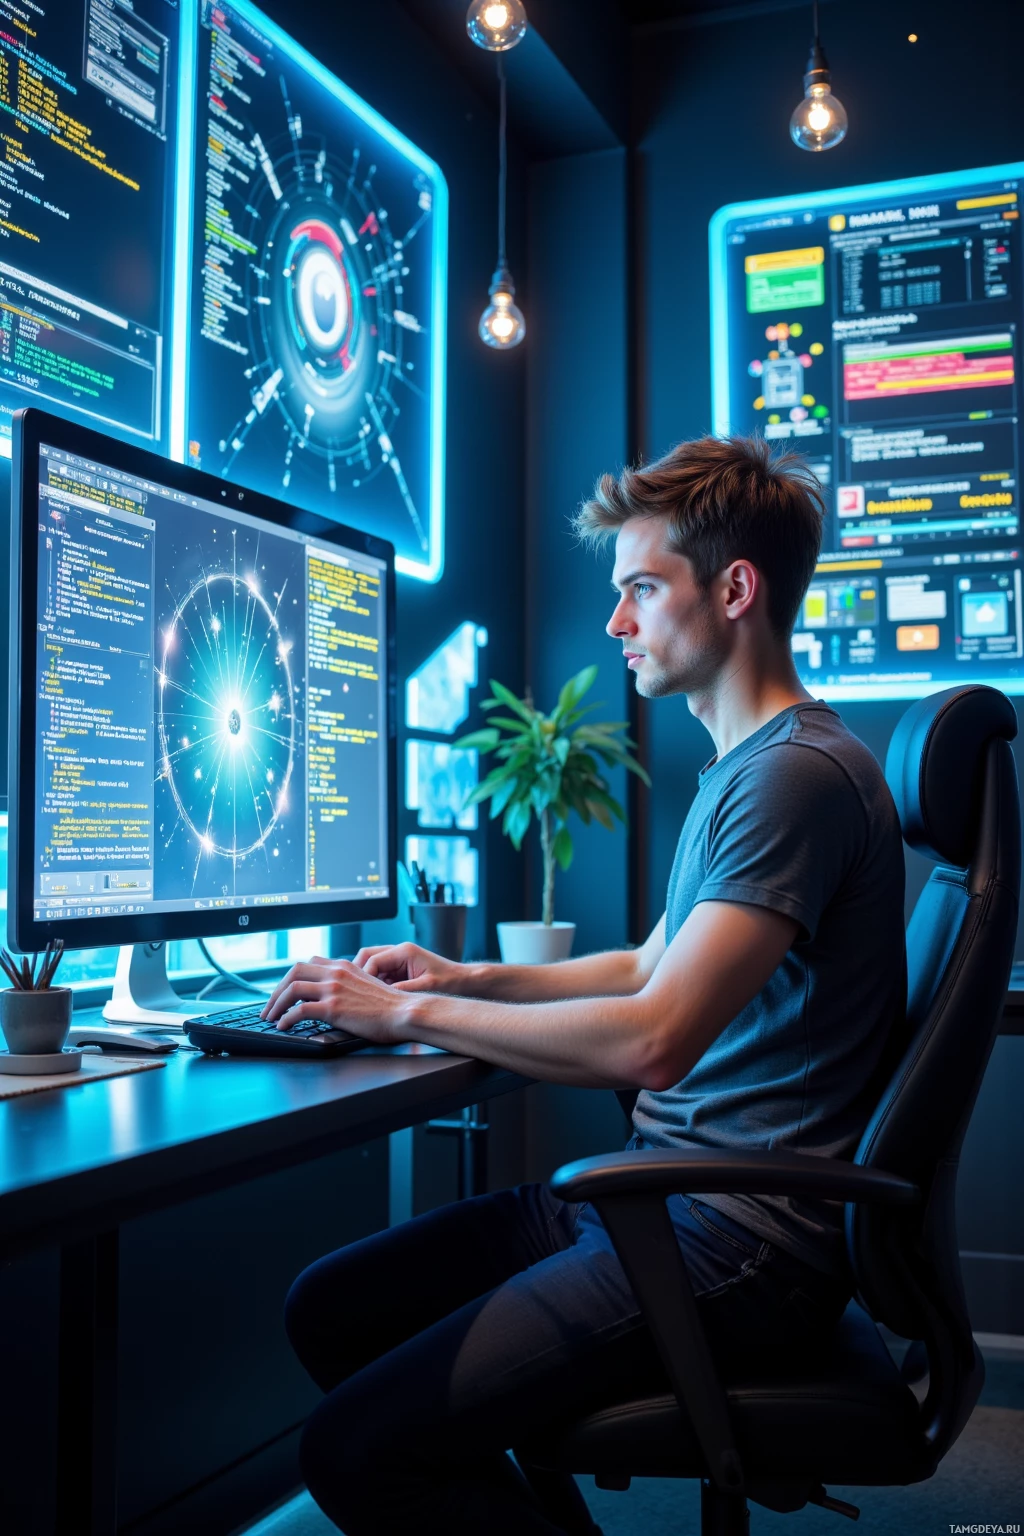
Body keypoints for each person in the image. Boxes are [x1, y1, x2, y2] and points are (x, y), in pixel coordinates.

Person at [266, 434, 907, 1536]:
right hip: (660, 1200)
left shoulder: (794, 778)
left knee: (354, 1451)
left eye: (640, 591)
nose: (616, 624)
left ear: (734, 589)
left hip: (733, 1239)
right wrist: (465, 971)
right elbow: (647, 964)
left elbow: (652, 1038)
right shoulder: (747, 767)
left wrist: (404, 1011)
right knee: (332, 1311)